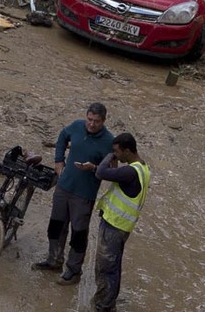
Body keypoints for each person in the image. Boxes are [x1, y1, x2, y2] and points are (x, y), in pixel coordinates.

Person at [32, 102, 114, 285]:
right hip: (64, 186)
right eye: (89, 120)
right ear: (86, 117)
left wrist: (93, 168)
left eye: (97, 122)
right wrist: (58, 161)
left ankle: (74, 271)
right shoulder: (77, 126)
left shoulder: (109, 141)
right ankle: (54, 260)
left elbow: (110, 169)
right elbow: (62, 137)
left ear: (104, 121)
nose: (91, 124)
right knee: (56, 226)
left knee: (78, 234)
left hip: (84, 195)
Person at [91, 133, 151, 312]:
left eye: (117, 151)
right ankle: (109, 303)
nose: (115, 154)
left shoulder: (130, 171)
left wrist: (109, 157)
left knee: (106, 268)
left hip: (114, 226)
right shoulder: (142, 168)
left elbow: (100, 173)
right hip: (122, 227)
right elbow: (116, 178)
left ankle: (103, 306)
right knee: (113, 266)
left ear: (127, 150)